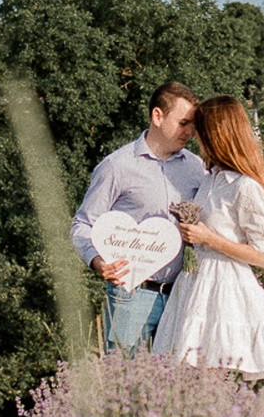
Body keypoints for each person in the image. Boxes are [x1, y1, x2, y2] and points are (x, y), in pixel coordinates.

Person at [152, 94, 264, 379]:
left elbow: (263, 256)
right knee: (186, 376)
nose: (195, 137)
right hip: (194, 283)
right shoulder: (210, 179)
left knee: (216, 374)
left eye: (200, 132)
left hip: (224, 290)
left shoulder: (246, 187)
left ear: (217, 135)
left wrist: (209, 238)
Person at [71, 81, 206, 351]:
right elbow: (82, 225)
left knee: (176, 375)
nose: (190, 132)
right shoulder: (117, 166)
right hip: (131, 296)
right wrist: (98, 262)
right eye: (183, 123)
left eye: (193, 125)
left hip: (181, 294)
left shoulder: (196, 168)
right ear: (157, 116)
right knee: (122, 374)